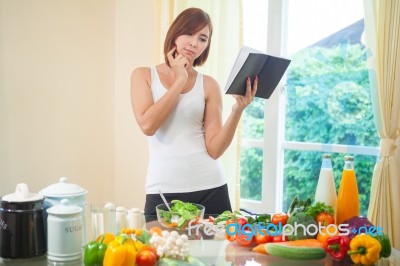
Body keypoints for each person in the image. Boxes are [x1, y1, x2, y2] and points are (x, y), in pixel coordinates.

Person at [130, 7, 257, 217]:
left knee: (218, 251)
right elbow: (148, 125)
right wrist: (179, 80)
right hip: (163, 191)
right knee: (161, 250)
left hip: (211, 189)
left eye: (202, 38)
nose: (193, 42)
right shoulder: (143, 75)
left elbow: (215, 149)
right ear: (175, 34)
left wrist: (237, 110)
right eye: (188, 33)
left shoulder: (208, 85)